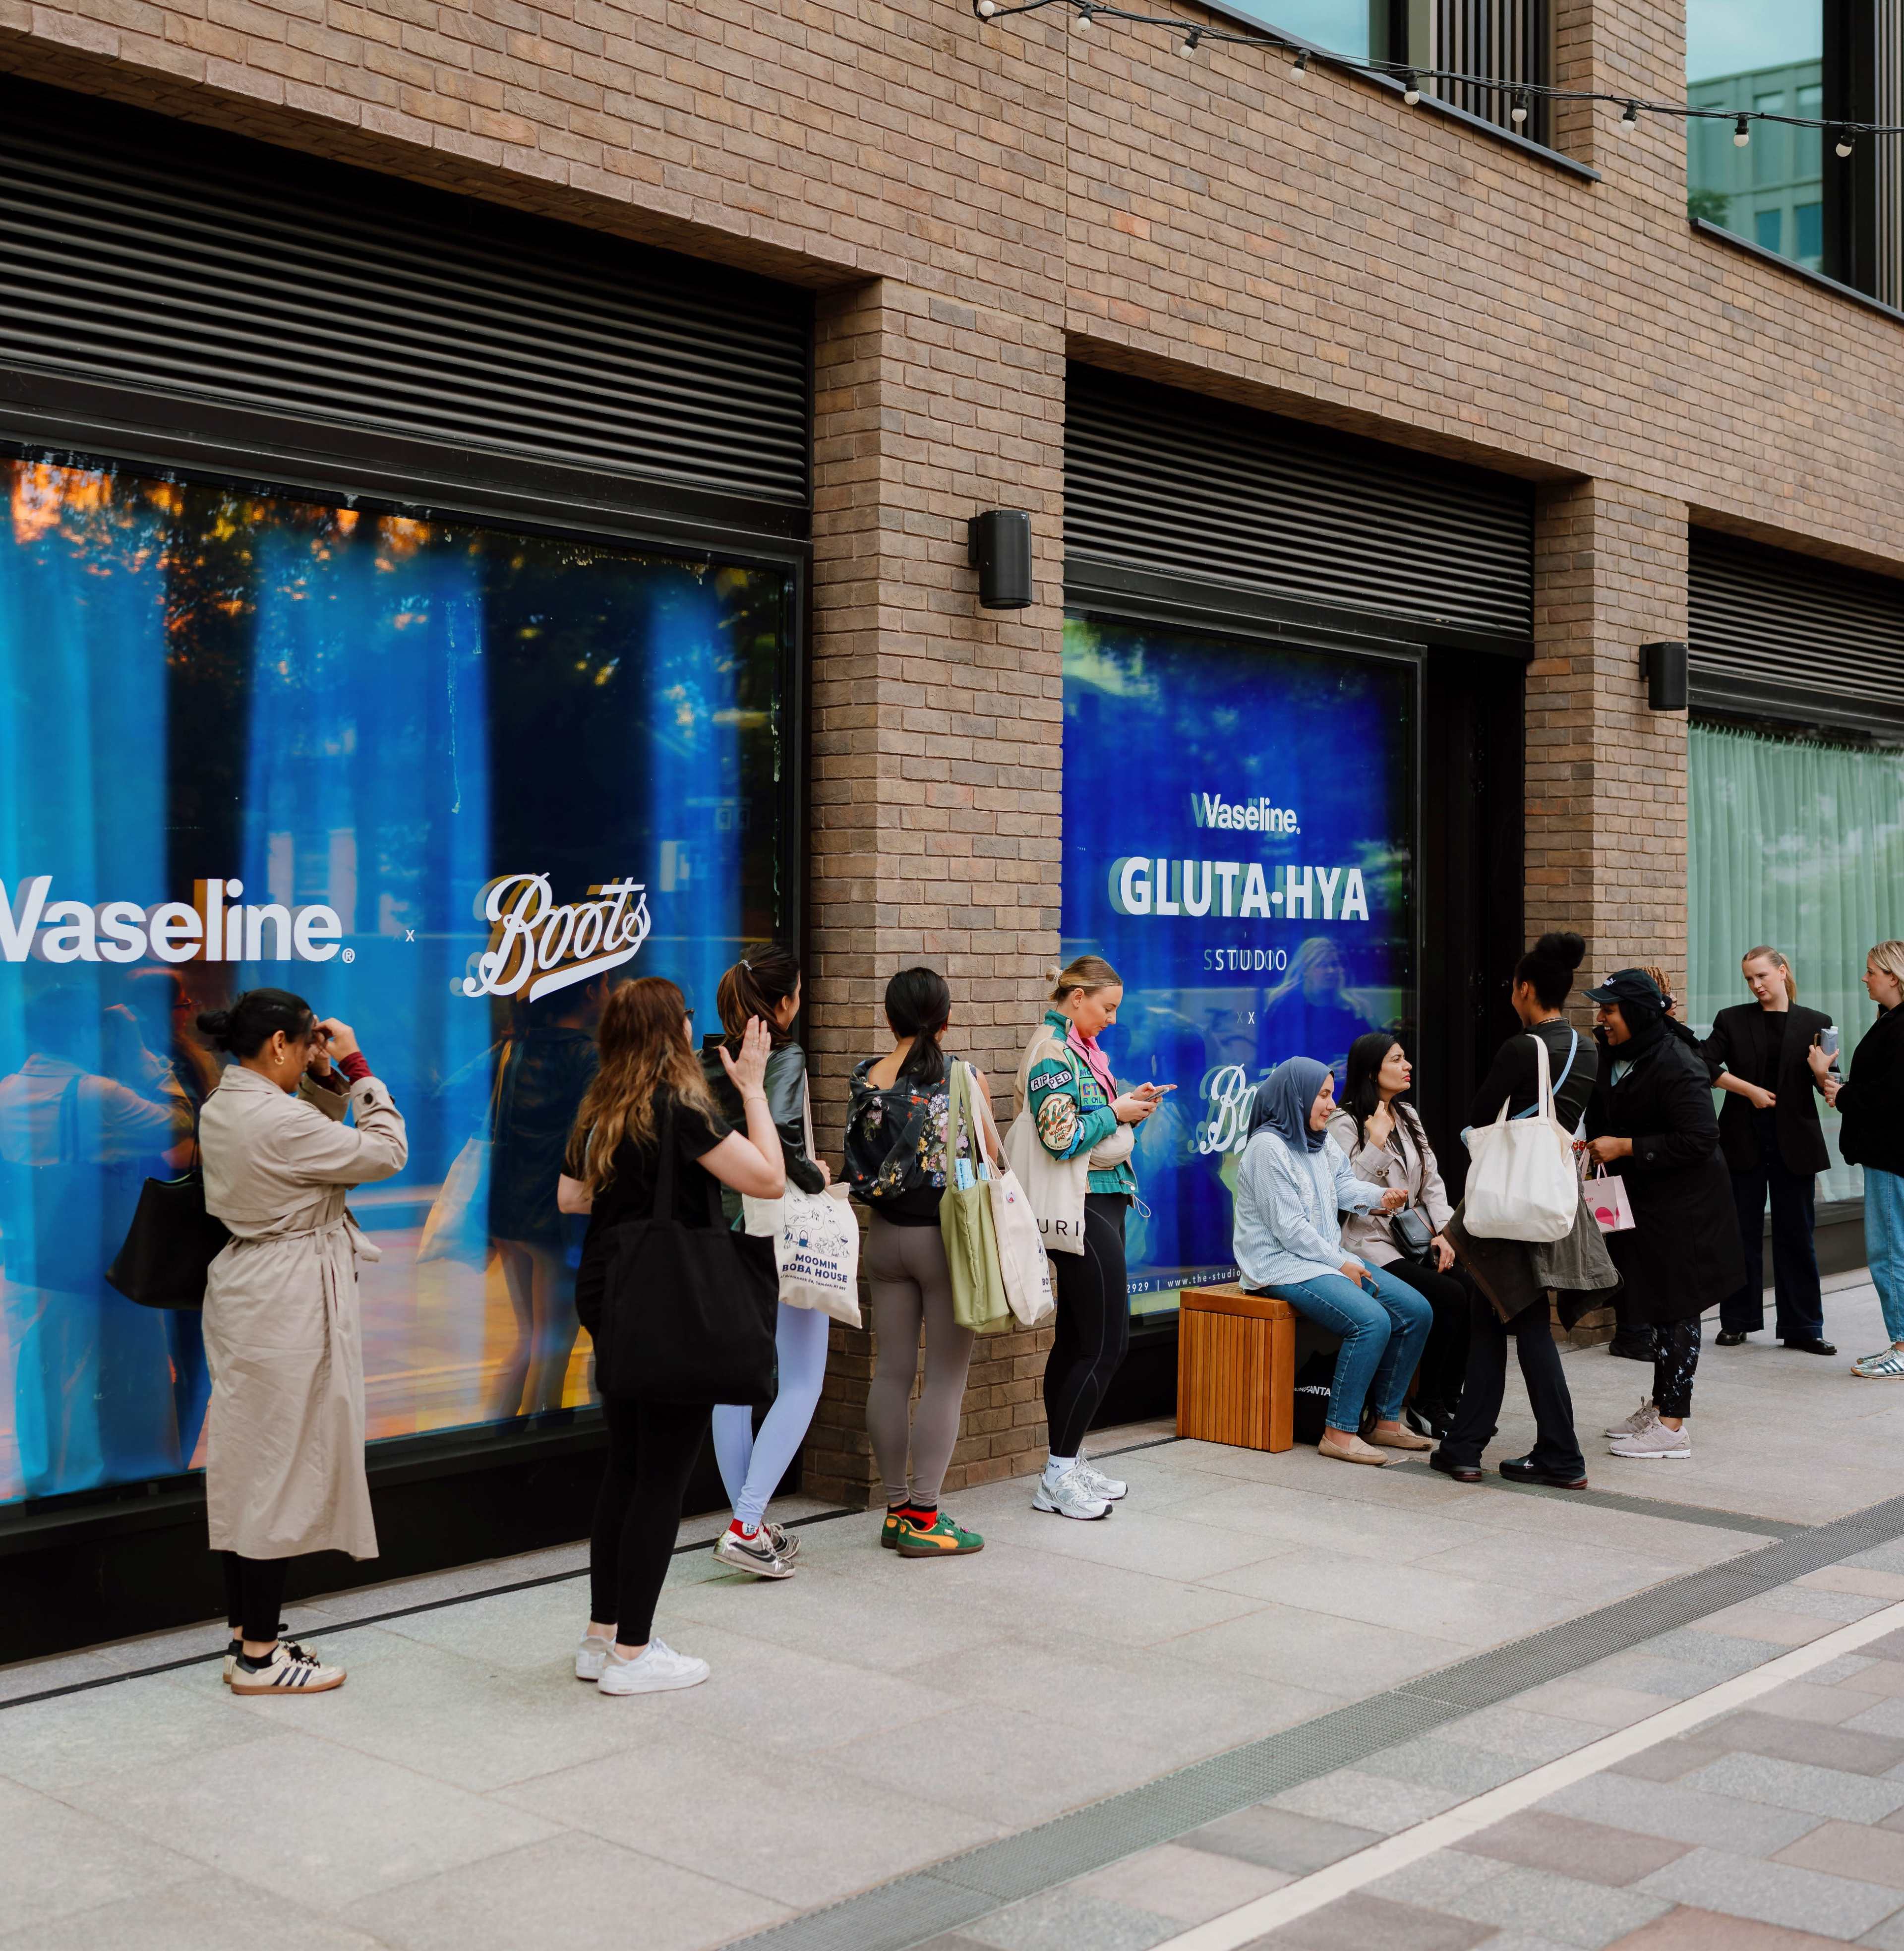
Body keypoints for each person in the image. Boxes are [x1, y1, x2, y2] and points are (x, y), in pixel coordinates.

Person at [559, 979, 784, 1695]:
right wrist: (752, 1088)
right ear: (669, 1031)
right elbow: (769, 1178)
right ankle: (633, 1651)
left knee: (626, 1464)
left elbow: (572, 1196)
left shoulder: (601, 1102)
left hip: (611, 1285)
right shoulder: (680, 1108)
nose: (694, 1028)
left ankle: (600, 1636)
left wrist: (633, 1185)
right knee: (663, 1474)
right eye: (686, 1019)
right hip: (670, 1295)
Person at [196, 990, 407, 1696]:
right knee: (278, 1472)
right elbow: (385, 1151)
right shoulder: (274, 1117)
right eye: (304, 1046)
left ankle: (245, 1633)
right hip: (285, 1296)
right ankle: (260, 1655)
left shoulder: (230, 1100)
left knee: (250, 1463)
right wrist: (355, 1065)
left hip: (251, 1285)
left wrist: (321, 1081)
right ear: (282, 1043)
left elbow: (310, 1136)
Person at [0, 982, 195, 1500]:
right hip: (97, 1262)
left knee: (47, 1375)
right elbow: (181, 1121)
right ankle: (116, 1480)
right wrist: (145, 1057)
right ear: (83, 1031)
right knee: (115, 1374)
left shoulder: (7, 1089)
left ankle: (51, 1480)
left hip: (34, 1262)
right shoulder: (99, 1093)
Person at [1433, 932, 1602, 1490]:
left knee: (1523, 1319)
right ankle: (1465, 1445)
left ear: (1525, 989)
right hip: (1549, 1196)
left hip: (1507, 1204)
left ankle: (1560, 1452)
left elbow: (1482, 1117)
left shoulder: (1522, 1048)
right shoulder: (1586, 1047)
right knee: (1495, 1316)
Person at [843, 967, 986, 1559]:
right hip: (943, 1241)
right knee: (946, 1378)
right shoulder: (961, 1076)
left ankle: (897, 1510)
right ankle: (927, 1515)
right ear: (947, 1019)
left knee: (892, 1372)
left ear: (889, 1017)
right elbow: (988, 1155)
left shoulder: (865, 1078)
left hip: (882, 1241)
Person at [699, 946, 830, 1579]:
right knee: (802, 1377)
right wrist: (816, 1171)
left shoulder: (706, 1056)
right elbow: (776, 1130)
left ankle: (746, 1521)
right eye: (797, 993)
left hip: (721, 1228)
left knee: (734, 1385)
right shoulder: (784, 1052)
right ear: (783, 1003)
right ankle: (747, 1523)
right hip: (775, 1225)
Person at [1582, 968, 1744, 1462]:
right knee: (1655, 1301)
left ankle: (1673, 1426)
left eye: (1610, 1010)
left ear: (1635, 1012)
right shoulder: (1616, 1053)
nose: (1602, 1017)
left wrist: (1626, 1145)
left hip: (1686, 1207)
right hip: (1645, 1202)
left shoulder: (1676, 1059)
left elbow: (1700, 1137)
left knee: (1677, 1305)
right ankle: (1660, 1404)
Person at [1021, 956, 1164, 1518]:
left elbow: (1090, 1124)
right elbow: (1059, 1135)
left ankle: (1068, 1458)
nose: (1110, 1019)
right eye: (1106, 1008)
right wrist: (1115, 1110)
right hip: (1081, 1205)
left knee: (1080, 1339)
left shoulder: (1077, 1048)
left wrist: (1132, 1110)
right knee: (1108, 1344)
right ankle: (1057, 1474)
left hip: (1100, 1200)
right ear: (1076, 997)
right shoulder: (1051, 1052)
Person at [1234, 1055, 1424, 1466]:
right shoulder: (1268, 1147)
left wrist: (1380, 1198)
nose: (1330, 1104)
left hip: (1323, 1259)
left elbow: (1343, 1185)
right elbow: (1290, 1230)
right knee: (1372, 1321)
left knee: (1416, 1311)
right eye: (1322, 1094)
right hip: (1281, 1266)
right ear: (1296, 1095)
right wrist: (1340, 1262)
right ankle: (1339, 1431)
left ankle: (1385, 1421)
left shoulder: (1317, 1140)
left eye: (1331, 1093)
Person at [483, 975, 606, 1425]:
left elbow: (444, 1095)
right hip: (554, 1215)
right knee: (554, 1340)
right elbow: (591, 1135)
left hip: (507, 1211)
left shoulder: (512, 1050)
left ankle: (495, 1436)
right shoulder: (586, 1055)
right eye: (605, 982)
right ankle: (538, 1447)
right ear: (590, 992)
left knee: (532, 1336)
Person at [1328, 1033, 1465, 1437]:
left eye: (1405, 1058)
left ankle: (1449, 1399)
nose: (1407, 1066)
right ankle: (1427, 1405)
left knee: (1469, 1284)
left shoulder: (1409, 1114)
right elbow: (1344, 1190)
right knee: (1446, 1295)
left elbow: (1433, 1181)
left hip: (1413, 1237)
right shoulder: (1345, 1121)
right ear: (1373, 1071)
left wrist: (1444, 1232)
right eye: (1397, 1059)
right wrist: (1375, 1140)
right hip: (1367, 1242)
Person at [1703, 947, 1836, 1355]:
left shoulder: (1818, 1022)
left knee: (1797, 1236)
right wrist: (1749, 1090)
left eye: (1761, 976)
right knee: (1740, 1234)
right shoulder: (1732, 1019)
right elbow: (1701, 1064)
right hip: (1742, 1140)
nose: (1756, 985)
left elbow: (1829, 1086)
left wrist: (1821, 1072)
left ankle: (1804, 1327)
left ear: (1782, 972)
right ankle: (1737, 1321)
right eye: (1749, 979)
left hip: (1795, 1144)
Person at [1812, 941, 1904, 1378]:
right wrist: (1835, 1084)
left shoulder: (1900, 1026)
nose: (1864, 978)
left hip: (1892, 1157)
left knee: (1889, 1253)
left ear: (1894, 976)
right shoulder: (1891, 1021)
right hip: (1889, 1155)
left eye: (1871, 971)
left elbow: (1894, 1096)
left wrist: (1842, 1092)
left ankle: (1903, 1347)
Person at [1260, 938, 1386, 1079]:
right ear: (1305, 970)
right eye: (1322, 965)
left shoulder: (1352, 1009)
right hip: (1302, 1090)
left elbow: (1373, 1053)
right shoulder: (1285, 1008)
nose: (1331, 971)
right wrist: (1322, 1073)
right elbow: (1271, 1064)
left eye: (1335, 964)